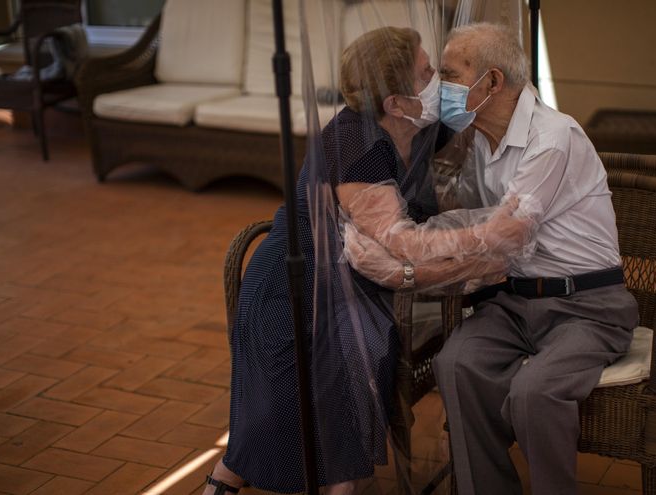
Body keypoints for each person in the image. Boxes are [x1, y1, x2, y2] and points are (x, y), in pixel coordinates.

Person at [204, 26, 529, 495]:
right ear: (395, 102)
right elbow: (402, 243)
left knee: (348, 384)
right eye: (426, 73)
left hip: (353, 287)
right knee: (287, 406)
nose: (437, 78)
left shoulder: (415, 126)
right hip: (294, 288)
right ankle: (227, 482)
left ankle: (336, 481)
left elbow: (481, 106)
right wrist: (488, 237)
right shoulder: (357, 147)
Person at [429, 23, 640, 495]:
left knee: (534, 393)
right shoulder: (480, 142)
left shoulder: (554, 136)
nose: (439, 88)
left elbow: (507, 233)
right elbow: (464, 219)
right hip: (513, 303)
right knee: (456, 365)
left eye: (448, 74)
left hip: (588, 306)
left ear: (492, 82)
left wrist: (414, 261)